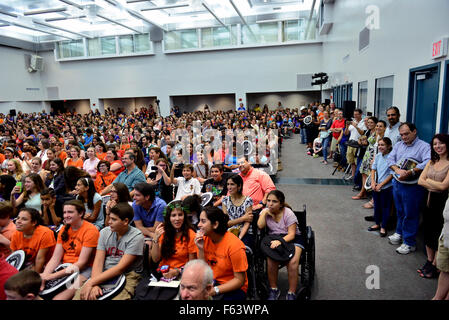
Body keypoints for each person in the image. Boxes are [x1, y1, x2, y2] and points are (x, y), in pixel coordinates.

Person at [74, 203, 144, 300]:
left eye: (114, 219)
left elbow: (120, 268)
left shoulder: (137, 237)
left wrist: (91, 282)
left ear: (125, 221)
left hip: (128, 275)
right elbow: (98, 261)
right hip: (104, 272)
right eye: (109, 218)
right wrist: (94, 285)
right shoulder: (104, 232)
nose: (109, 222)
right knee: (82, 296)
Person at [40, 200, 99, 300]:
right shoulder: (63, 229)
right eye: (64, 212)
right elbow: (55, 258)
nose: (66, 215)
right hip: (65, 267)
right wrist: (45, 275)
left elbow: (81, 263)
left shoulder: (91, 230)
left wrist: (51, 276)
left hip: (84, 270)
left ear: (80, 213)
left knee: (58, 299)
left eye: (70, 212)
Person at [388, 122, 431, 254]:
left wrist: (412, 171)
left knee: (410, 213)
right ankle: (399, 233)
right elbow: (390, 159)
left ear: (414, 131)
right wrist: (398, 170)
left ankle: (409, 242)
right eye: (401, 135)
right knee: (400, 210)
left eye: (406, 134)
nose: (404, 137)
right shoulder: (398, 145)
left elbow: (428, 162)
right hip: (397, 182)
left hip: (413, 186)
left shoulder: (424, 146)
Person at [257, 190, 304, 300]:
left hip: (293, 238)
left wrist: (280, 241)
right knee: (271, 260)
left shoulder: (288, 213)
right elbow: (260, 226)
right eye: (268, 201)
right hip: (274, 238)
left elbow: (291, 235)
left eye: (274, 201)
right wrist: (264, 213)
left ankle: (291, 292)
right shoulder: (265, 211)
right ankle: (274, 289)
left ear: (281, 203)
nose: (270, 204)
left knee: (292, 262)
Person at [194, 206, 248, 300]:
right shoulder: (204, 239)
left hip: (232, 288)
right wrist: (201, 249)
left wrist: (215, 290)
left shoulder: (235, 246)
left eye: (203, 221)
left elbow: (239, 280)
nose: (198, 225)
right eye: (199, 221)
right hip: (213, 282)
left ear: (215, 224)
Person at [417, 133, 449, 278]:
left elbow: (444, 187)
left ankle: (436, 265)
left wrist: (428, 182)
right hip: (428, 200)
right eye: (435, 144)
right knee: (427, 231)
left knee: (437, 233)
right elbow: (420, 181)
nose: (438, 146)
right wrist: (433, 184)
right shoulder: (431, 161)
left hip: (442, 203)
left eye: (441, 143)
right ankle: (429, 261)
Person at [150, 201, 196, 280]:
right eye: (173, 215)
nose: (177, 219)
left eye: (180, 215)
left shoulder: (191, 234)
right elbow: (155, 259)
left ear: (184, 216)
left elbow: (192, 265)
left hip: (182, 273)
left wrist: (177, 271)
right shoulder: (163, 232)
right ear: (169, 218)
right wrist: (155, 239)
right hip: (163, 272)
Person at [10, 208, 56, 273]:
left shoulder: (45, 233)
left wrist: (35, 279)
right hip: (27, 265)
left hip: (46, 266)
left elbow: (40, 259)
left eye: (24, 219)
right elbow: (14, 257)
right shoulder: (16, 234)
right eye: (18, 218)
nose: (18, 221)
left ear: (34, 222)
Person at [367, 137, 394, 237]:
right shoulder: (378, 156)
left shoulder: (391, 157)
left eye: (383, 145)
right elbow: (373, 169)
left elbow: (392, 174)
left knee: (385, 207)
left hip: (386, 187)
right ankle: (377, 223)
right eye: (379, 145)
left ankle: (384, 226)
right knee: (377, 206)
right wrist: (373, 182)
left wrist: (381, 185)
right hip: (376, 186)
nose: (380, 147)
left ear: (389, 146)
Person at [222, 174, 253, 248]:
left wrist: (239, 238)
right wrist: (242, 218)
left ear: (239, 186)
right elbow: (226, 223)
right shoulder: (225, 200)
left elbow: (247, 222)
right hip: (229, 231)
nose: (229, 187)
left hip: (245, 232)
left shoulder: (248, 200)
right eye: (228, 184)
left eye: (232, 184)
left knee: (240, 247)